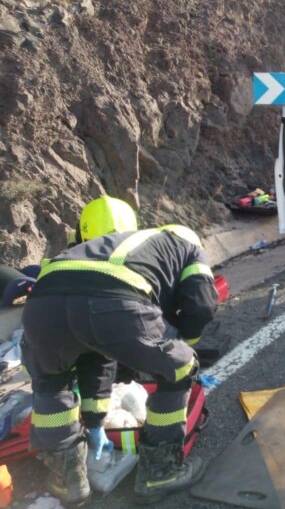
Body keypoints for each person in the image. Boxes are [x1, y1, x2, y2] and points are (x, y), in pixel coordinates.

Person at [20, 195, 217, 505]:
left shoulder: (92, 249)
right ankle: (160, 473)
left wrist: (96, 422)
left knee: (50, 381)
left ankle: (68, 481)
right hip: (112, 300)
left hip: (42, 306)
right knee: (180, 366)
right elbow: (202, 304)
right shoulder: (187, 246)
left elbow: (97, 354)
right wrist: (181, 348)